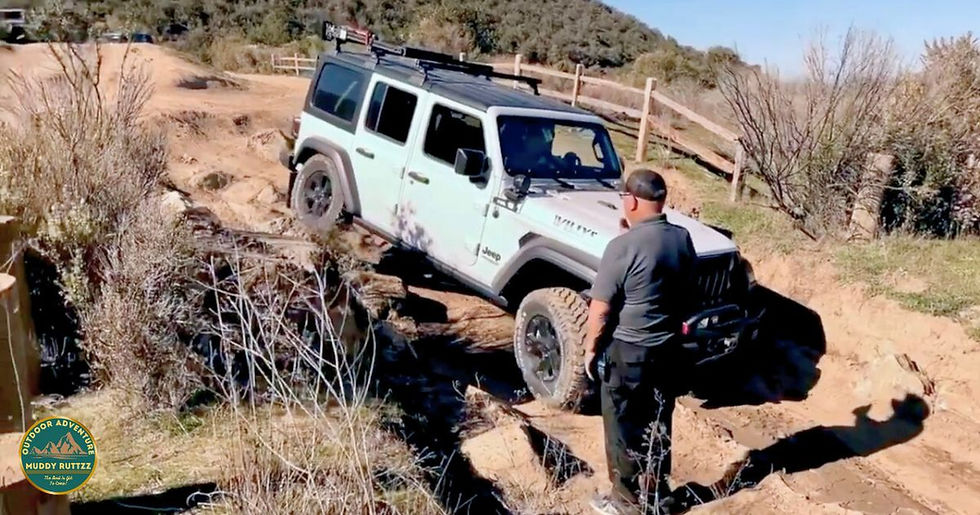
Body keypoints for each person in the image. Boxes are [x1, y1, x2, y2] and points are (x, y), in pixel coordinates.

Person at [585, 169, 698, 515]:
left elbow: (601, 309)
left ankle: (625, 500)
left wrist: (590, 349)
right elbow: (683, 287)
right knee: (658, 421)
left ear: (631, 200)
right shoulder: (682, 238)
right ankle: (658, 495)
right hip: (667, 352)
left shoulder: (621, 247)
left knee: (621, 423)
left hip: (628, 352)